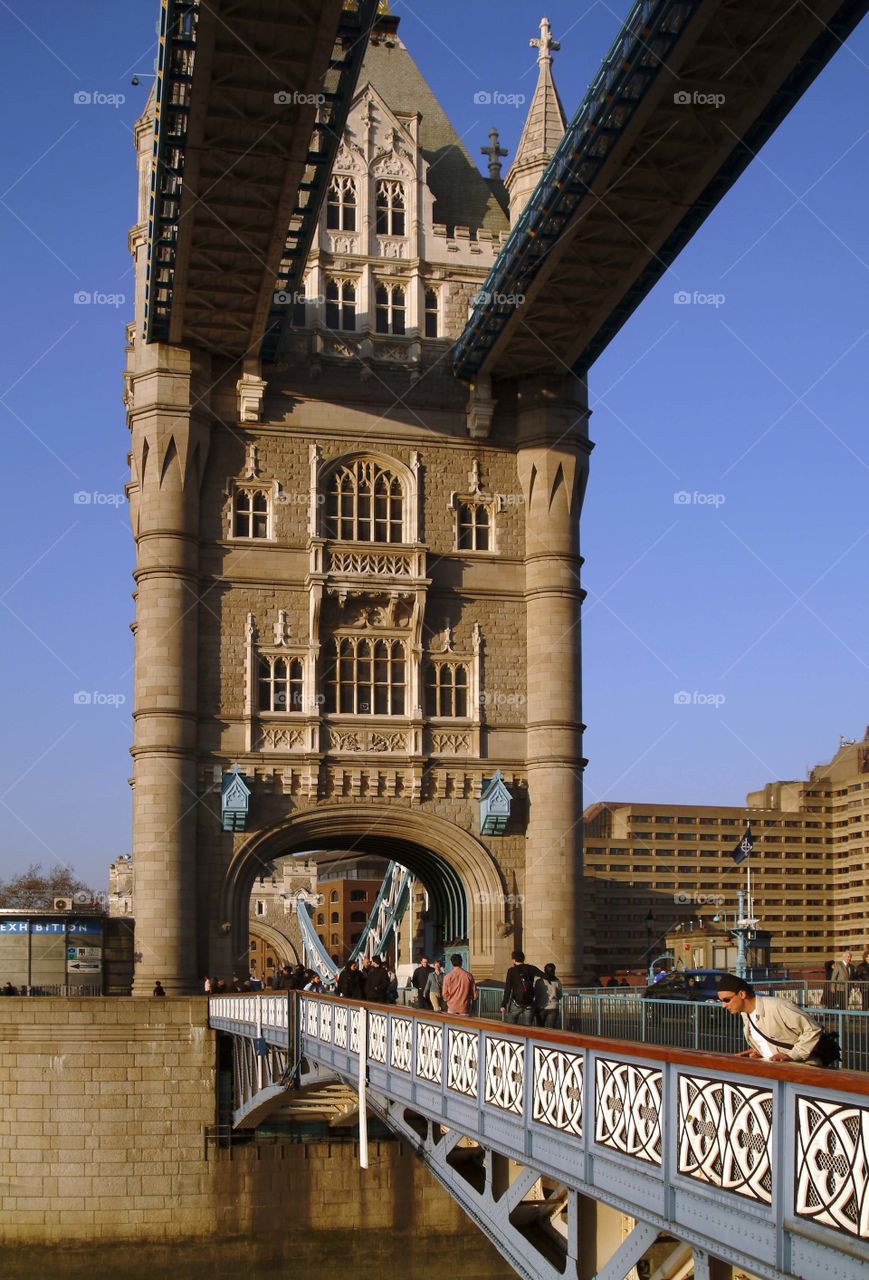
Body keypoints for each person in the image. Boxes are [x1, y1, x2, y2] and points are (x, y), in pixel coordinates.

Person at [716, 974, 827, 1064]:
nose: (723, 1005)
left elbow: (813, 1029)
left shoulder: (777, 1006)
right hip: (775, 1069)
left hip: (800, 1069)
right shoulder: (745, 1014)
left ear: (742, 994)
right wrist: (761, 1050)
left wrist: (792, 1055)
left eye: (726, 1000)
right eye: (721, 1001)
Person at [500, 950, 543, 1025]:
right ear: (523, 959)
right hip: (529, 1002)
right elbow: (544, 975)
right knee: (527, 1028)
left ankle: (513, 1036)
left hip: (516, 1003)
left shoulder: (512, 971)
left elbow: (508, 989)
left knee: (511, 1025)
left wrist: (504, 1004)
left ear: (514, 960)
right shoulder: (531, 968)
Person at [534, 963, 563, 1028]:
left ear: (544, 971)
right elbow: (560, 995)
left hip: (541, 1007)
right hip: (553, 1007)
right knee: (550, 1030)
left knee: (539, 1029)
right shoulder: (557, 982)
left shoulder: (539, 981)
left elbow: (536, 993)